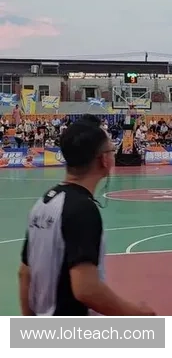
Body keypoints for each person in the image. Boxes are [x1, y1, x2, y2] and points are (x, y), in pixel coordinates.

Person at [18, 115, 155, 317]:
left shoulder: (44, 202)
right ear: (104, 159)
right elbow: (86, 289)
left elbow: (24, 273)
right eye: (111, 150)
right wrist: (136, 314)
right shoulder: (82, 210)